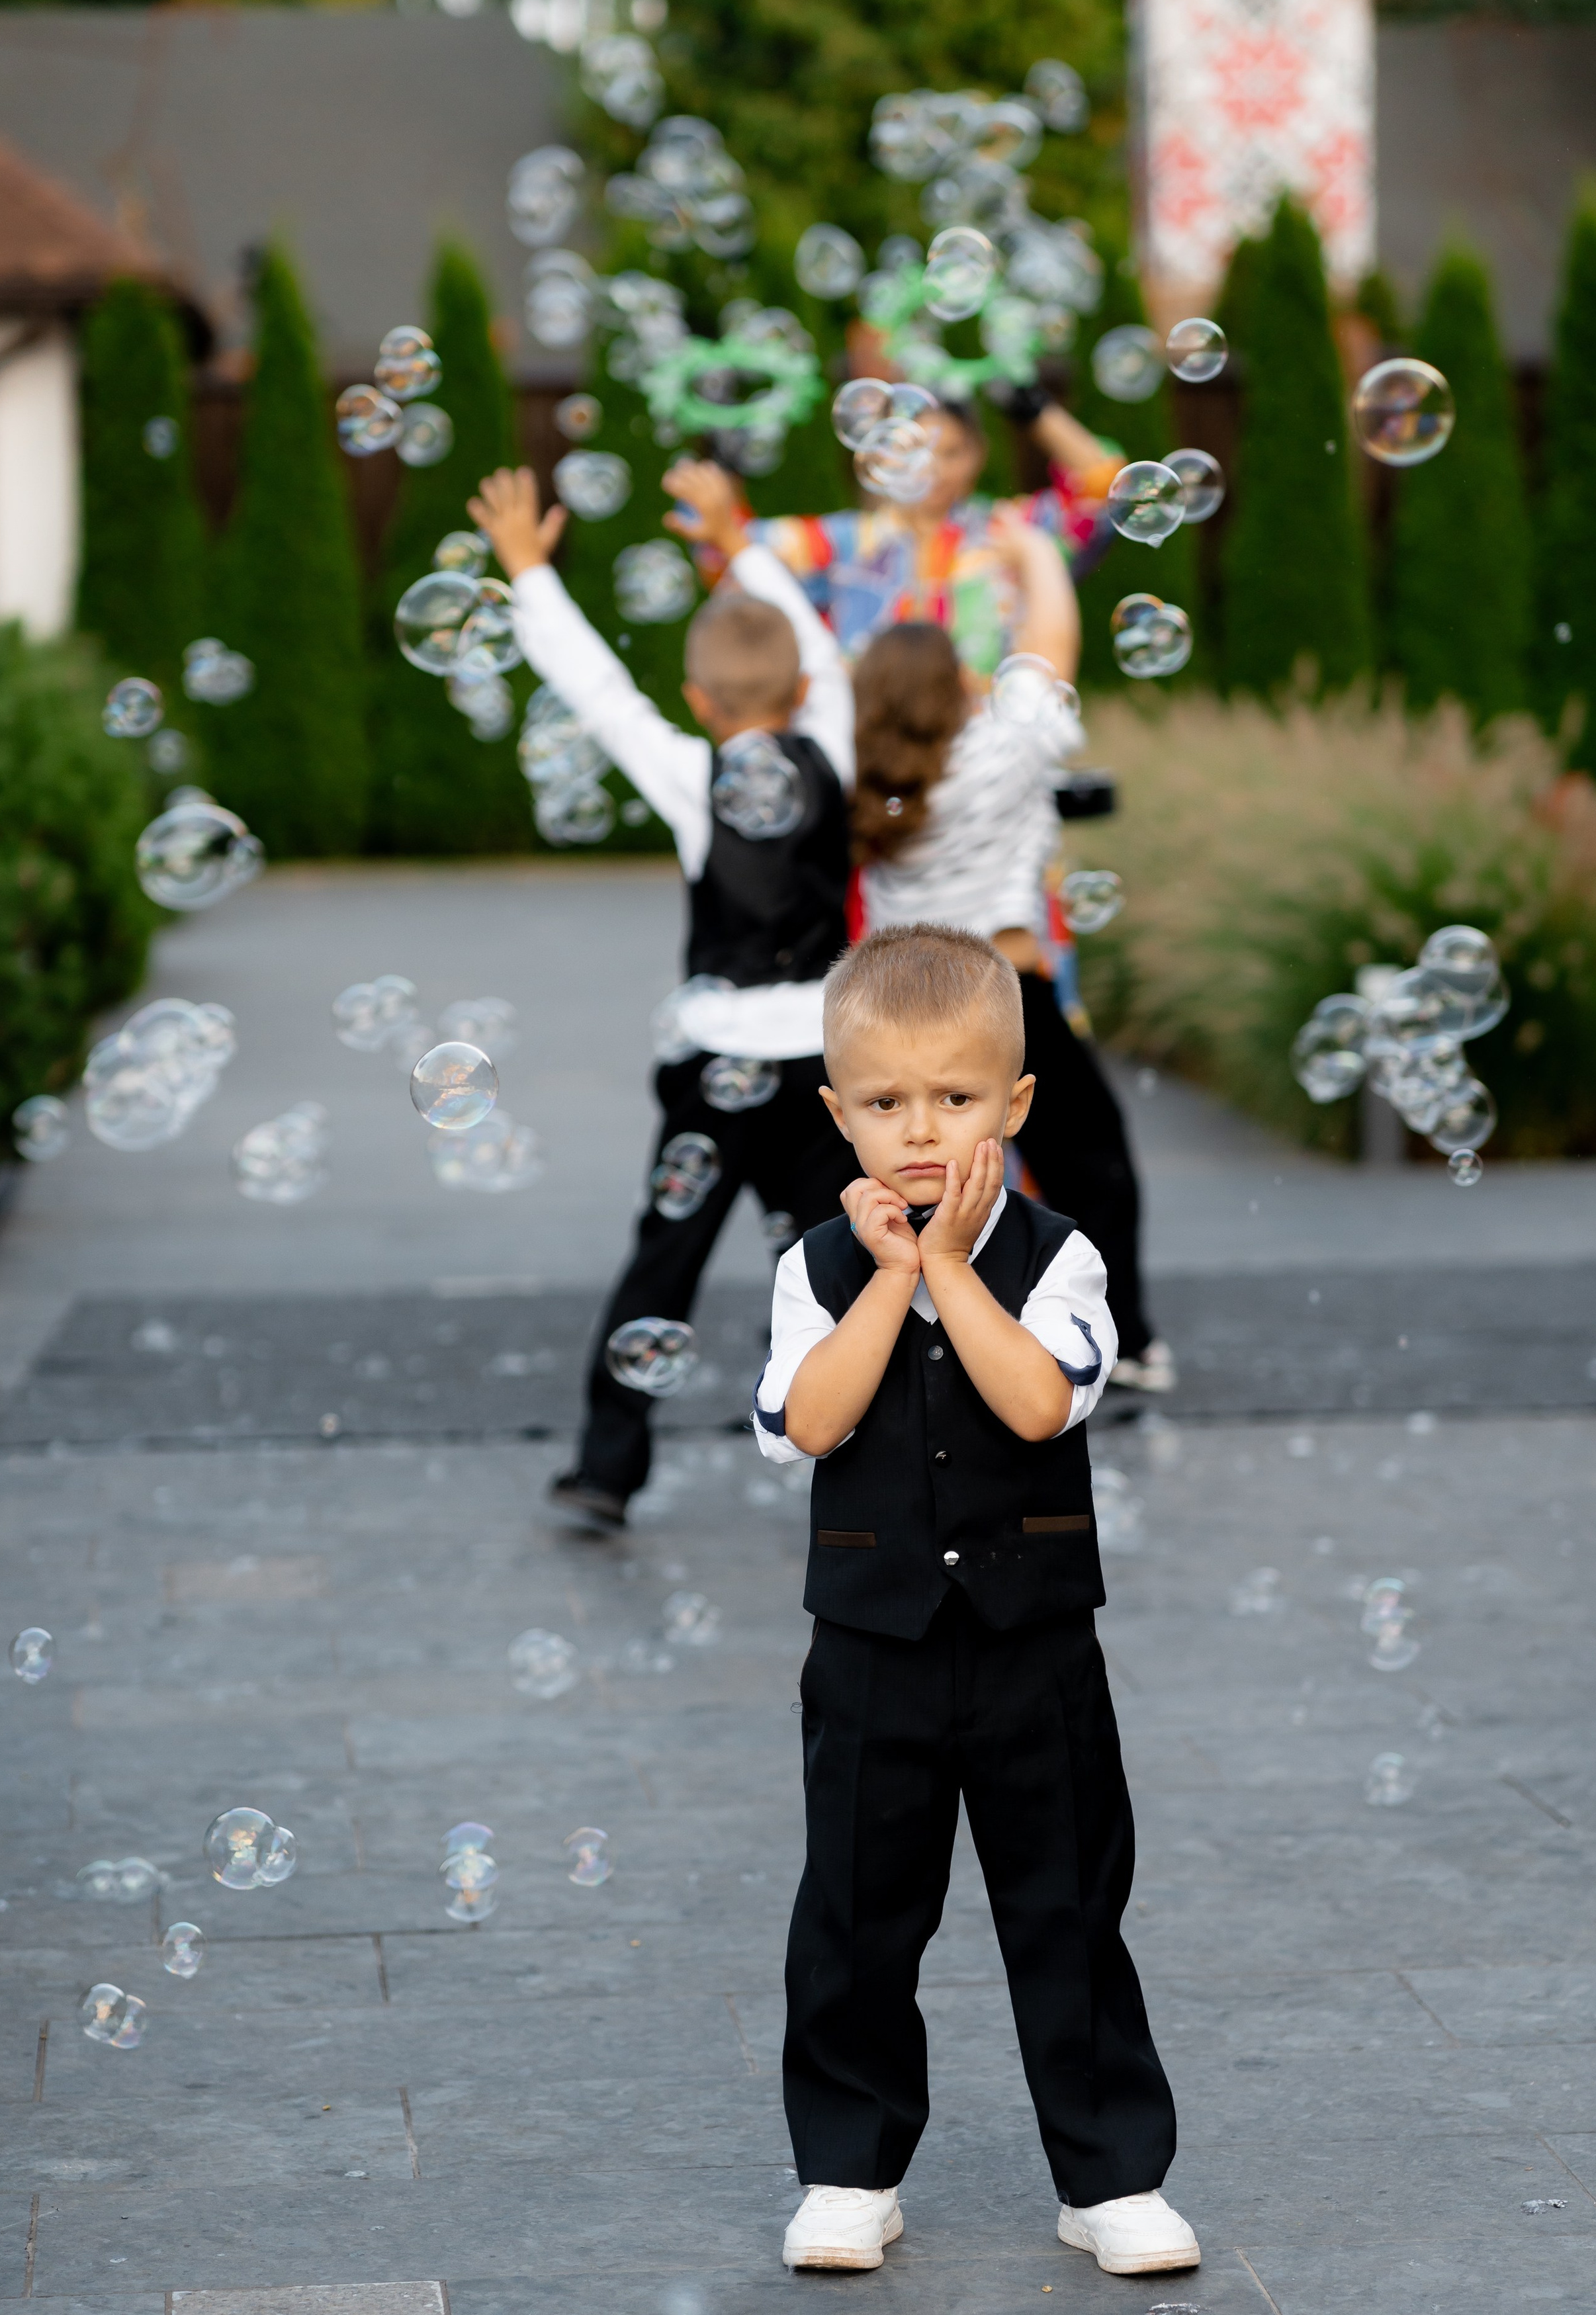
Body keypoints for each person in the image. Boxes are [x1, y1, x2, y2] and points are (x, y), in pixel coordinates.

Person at [752, 924, 1197, 2281]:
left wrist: (946, 1261)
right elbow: (808, 1424)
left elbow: (1037, 1399)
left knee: (1064, 1907)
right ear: (836, 1114)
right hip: (872, 1646)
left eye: (954, 1099)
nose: (919, 1132)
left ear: (1012, 1105)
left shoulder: (1056, 1259)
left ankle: (1108, 2175)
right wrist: (889, 1273)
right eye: (884, 1104)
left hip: (1032, 1648)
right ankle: (847, 2169)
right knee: (853, 1909)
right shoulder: (813, 1271)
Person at [469, 462, 858, 1530]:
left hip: (718, 1067)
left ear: (699, 701)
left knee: (667, 1260)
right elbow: (821, 656)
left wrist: (528, 574)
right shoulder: (833, 750)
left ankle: (606, 1468)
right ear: (800, 691)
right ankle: (862, 1458)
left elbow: (600, 699)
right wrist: (742, 546)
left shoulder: (699, 777)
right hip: (831, 1065)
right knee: (836, 1264)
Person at [840, 501, 1168, 1387]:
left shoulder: (860, 770)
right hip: (1005, 997)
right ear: (956, 686)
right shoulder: (1000, 751)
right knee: (1091, 1165)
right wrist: (1032, 552)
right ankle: (1121, 1339)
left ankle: (911, 1345)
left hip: (901, 1007)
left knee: (917, 1179)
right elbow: (1052, 645)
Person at [676, 398, 1124, 674]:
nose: (933, 469)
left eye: (952, 453)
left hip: (988, 740)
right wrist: (723, 457)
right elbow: (731, 554)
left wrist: (1035, 408)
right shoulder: (847, 543)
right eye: (911, 451)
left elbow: (1109, 491)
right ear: (882, 456)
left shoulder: (1007, 530)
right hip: (878, 752)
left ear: (979, 455)